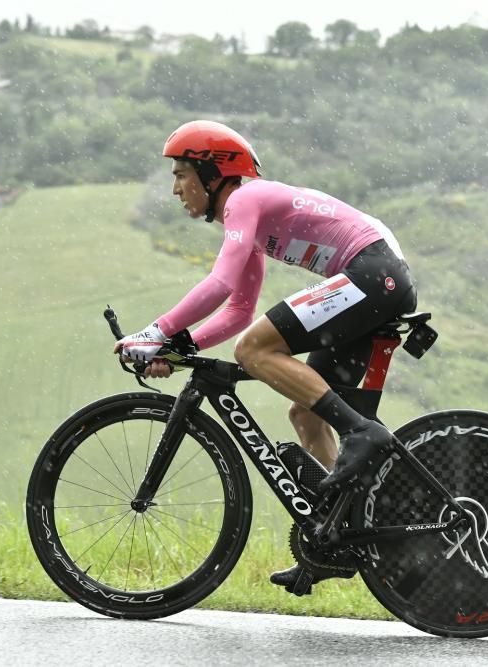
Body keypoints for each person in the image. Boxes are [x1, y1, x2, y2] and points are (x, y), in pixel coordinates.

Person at [114, 119, 417, 594]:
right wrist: (180, 348)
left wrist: (156, 331)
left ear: (211, 174)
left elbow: (217, 286)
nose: (175, 188)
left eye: (180, 174)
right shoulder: (250, 220)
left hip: (374, 273)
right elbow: (237, 309)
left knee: (255, 350)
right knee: (306, 412)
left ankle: (362, 433)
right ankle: (335, 538)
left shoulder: (243, 200)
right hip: (377, 279)